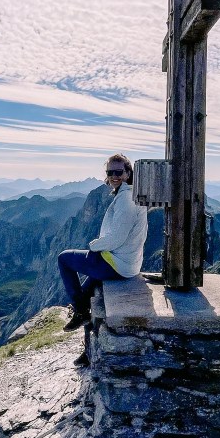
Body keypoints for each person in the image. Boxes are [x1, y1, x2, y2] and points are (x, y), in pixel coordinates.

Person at [58, 154, 148, 365]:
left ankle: (80, 312)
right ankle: (89, 349)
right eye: (110, 172)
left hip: (117, 264)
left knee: (64, 259)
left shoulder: (126, 199)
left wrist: (93, 245)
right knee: (87, 294)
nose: (114, 176)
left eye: (119, 172)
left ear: (128, 173)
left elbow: (117, 237)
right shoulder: (131, 194)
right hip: (125, 262)